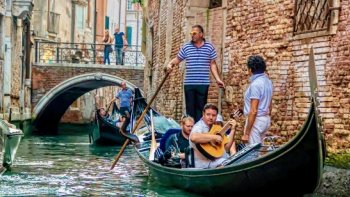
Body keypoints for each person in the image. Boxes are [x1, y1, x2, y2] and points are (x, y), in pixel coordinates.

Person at [166, 25, 225, 122]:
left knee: (201, 110)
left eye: (194, 33)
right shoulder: (187, 47)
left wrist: (218, 79)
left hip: (203, 83)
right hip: (189, 83)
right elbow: (178, 59)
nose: (192, 35)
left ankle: (199, 131)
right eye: (191, 33)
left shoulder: (209, 47)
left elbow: (213, 64)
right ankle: (190, 132)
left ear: (201, 34)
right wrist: (170, 64)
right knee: (190, 111)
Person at [189, 103, 237, 168]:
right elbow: (193, 137)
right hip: (202, 163)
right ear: (203, 114)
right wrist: (214, 137)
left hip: (215, 160)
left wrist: (233, 130)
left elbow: (226, 148)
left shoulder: (215, 128)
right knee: (227, 164)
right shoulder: (199, 126)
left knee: (232, 162)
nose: (211, 117)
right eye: (208, 114)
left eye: (213, 115)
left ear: (216, 116)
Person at [241, 55, 273, 145]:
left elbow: (253, 111)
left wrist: (246, 134)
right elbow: (270, 105)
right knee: (260, 150)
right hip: (265, 120)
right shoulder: (268, 82)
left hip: (256, 122)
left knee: (253, 152)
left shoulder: (255, 84)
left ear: (250, 70)